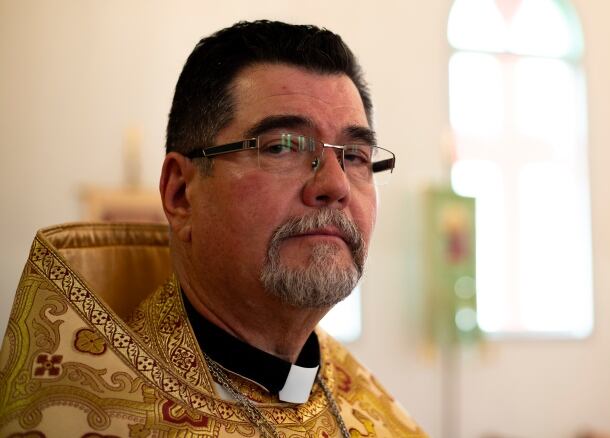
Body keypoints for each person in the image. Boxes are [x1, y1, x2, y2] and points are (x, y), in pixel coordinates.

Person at [0, 20, 426, 437]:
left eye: (354, 156)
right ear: (181, 194)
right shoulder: (84, 419)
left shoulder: (377, 413)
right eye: (282, 146)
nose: (334, 185)